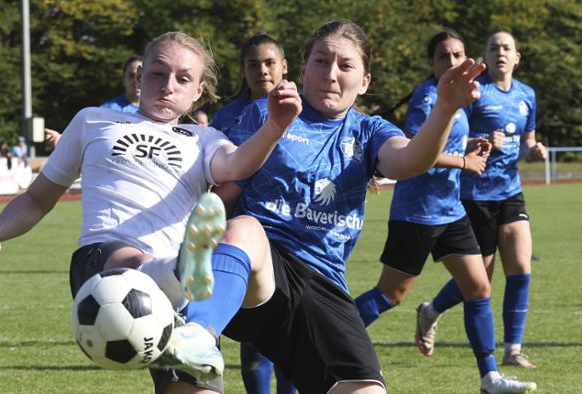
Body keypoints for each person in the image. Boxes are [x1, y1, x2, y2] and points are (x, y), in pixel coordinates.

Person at [147, 19, 485, 394]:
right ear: (303, 68)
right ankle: (196, 334)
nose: (331, 74)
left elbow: (409, 160)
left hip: (322, 283)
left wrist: (445, 109)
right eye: (321, 62)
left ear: (365, 81)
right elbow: (229, 183)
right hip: (259, 270)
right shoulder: (268, 112)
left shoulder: (369, 131)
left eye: (346, 65)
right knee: (245, 229)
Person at [0, 31, 302, 390]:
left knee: (196, 385)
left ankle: (191, 309)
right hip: (103, 263)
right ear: (140, 76)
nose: (168, 85)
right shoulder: (93, 121)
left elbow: (236, 166)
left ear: (198, 91)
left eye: (183, 78)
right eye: (158, 73)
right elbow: (37, 198)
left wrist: (275, 126)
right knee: (139, 263)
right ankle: (178, 271)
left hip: (179, 295)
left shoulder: (204, 139)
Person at [352, 30, 536, 393]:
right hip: (417, 212)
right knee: (391, 294)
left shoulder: (456, 95)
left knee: (478, 287)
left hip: (450, 211)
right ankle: (320, 335)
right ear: (431, 62)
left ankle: (490, 379)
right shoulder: (426, 97)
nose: (451, 62)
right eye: (443, 56)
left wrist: (470, 144)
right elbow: (417, 153)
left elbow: (445, 140)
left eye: (457, 55)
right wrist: (464, 162)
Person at [417, 31, 547, 371]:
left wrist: (533, 150)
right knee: (480, 280)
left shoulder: (527, 95)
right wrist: (481, 139)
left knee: (520, 267)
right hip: (474, 193)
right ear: (484, 56)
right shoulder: (475, 91)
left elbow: (527, 140)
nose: (500, 53)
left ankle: (513, 350)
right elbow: (451, 130)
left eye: (507, 48)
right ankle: (431, 311)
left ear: (517, 57)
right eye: (493, 47)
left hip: (510, 191)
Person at [211, 32, 295, 394]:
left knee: (293, 332)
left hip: (294, 233)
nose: (262, 70)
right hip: (243, 232)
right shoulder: (227, 116)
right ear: (243, 70)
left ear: (284, 66)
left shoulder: (308, 109)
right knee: (257, 331)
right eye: (253, 64)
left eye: (269, 62)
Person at [44, 55, 143, 145]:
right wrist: (61, 139)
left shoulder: (157, 111)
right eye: (131, 76)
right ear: (123, 80)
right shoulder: (109, 109)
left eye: (140, 76)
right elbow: (86, 133)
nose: (136, 81)